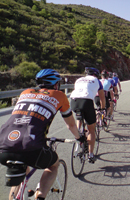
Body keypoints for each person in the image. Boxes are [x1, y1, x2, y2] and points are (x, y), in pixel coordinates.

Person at [0, 69, 84, 200]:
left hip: (4, 144)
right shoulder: (59, 95)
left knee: (22, 166)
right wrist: (79, 138)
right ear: (56, 84)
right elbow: (71, 125)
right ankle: (40, 196)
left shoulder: (25, 92)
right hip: (31, 146)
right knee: (53, 165)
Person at [70, 67, 105, 163]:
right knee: (91, 130)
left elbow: (78, 92)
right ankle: (90, 154)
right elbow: (102, 97)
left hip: (74, 102)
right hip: (86, 102)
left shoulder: (79, 80)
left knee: (79, 115)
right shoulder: (97, 81)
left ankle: (78, 135)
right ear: (96, 75)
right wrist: (102, 109)